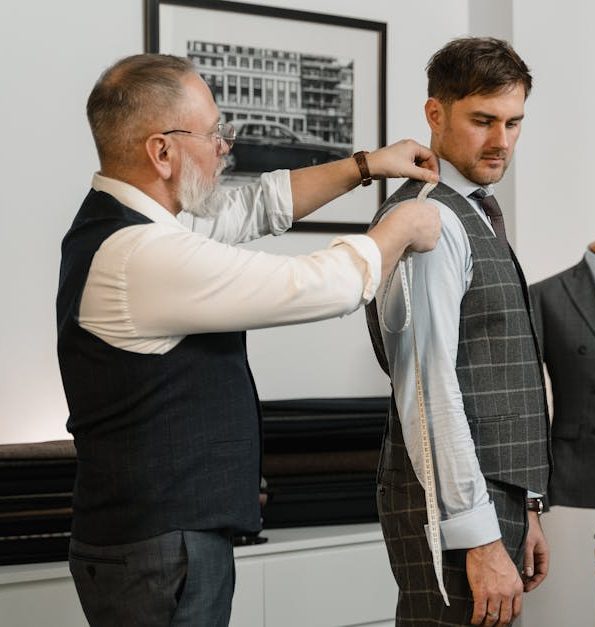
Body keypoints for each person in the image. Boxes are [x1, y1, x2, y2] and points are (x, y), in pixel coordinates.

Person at [57, 53, 440, 627]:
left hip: (153, 541)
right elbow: (316, 284)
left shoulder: (129, 223)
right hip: (161, 550)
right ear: (161, 152)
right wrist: (400, 228)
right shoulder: (141, 255)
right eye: (213, 134)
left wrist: (367, 165)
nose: (224, 148)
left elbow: (256, 205)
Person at [365, 37, 552, 626]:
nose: (502, 141)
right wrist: (480, 537)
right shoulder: (432, 220)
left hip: (491, 499)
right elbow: (429, 393)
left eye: (514, 123)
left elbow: (492, 371)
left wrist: (526, 504)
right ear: (435, 114)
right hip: (452, 510)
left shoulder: (474, 210)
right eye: (483, 121)